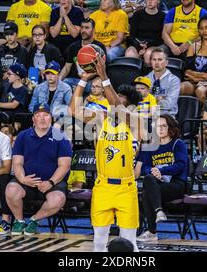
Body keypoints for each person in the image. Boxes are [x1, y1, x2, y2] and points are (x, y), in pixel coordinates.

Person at [68, 55, 144, 252]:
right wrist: (83, 80)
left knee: (129, 243)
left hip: (126, 187)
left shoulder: (136, 121)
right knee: (99, 242)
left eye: (119, 100)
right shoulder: (102, 118)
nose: (112, 103)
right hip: (102, 186)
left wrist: (103, 76)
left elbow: (118, 108)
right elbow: (73, 110)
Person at [6, 103, 72, 235]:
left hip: (52, 183)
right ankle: (19, 221)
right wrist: (23, 179)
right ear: (33, 119)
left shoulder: (61, 136)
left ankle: (33, 220)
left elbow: (64, 165)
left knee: (58, 199)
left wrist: (51, 182)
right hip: (27, 181)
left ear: (51, 118)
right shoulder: (23, 136)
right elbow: (17, 163)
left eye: (46, 115)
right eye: (38, 115)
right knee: (11, 190)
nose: (42, 118)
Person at [135, 114, 188, 242]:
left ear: (171, 128)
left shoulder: (178, 144)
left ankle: (152, 231)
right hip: (158, 184)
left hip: (176, 184)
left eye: (164, 126)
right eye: (158, 126)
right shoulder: (151, 146)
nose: (160, 129)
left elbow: (181, 165)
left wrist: (161, 170)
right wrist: (153, 171)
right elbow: (144, 168)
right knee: (148, 180)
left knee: (146, 193)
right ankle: (159, 211)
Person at [60, 18, 106, 92]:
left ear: (93, 30)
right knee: (63, 84)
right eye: (82, 27)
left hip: (91, 82)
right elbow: (66, 68)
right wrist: (58, 81)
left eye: (87, 28)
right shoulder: (73, 46)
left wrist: (86, 77)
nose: (83, 30)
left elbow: (102, 69)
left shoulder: (99, 47)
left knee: (94, 87)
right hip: (74, 80)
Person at [0, 22, 28, 98]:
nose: (9, 37)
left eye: (11, 34)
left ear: (17, 34)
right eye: (6, 35)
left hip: (17, 84)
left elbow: (25, 71)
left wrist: (11, 75)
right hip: (1, 84)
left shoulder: (23, 51)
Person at [0, 63, 31, 130]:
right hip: (5, 116)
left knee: (9, 129)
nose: (7, 76)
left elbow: (13, 105)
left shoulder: (23, 90)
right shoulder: (7, 85)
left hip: (17, 119)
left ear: (17, 77)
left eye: (9, 74)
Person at [125, 0, 165, 66]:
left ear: (158, 1)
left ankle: (148, 75)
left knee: (148, 54)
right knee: (130, 54)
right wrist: (138, 45)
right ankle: (134, 75)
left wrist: (147, 46)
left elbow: (161, 37)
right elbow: (132, 35)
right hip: (137, 43)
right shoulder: (137, 14)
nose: (150, 1)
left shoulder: (163, 16)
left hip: (154, 44)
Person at [146, 47, 180, 117]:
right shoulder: (145, 79)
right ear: (151, 62)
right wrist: (160, 99)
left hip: (166, 116)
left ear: (166, 62)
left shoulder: (174, 80)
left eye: (160, 59)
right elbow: (141, 103)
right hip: (148, 116)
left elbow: (169, 105)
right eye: (154, 60)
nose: (157, 62)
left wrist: (151, 99)